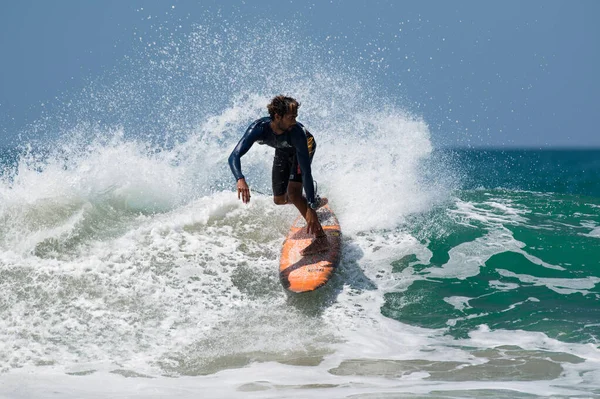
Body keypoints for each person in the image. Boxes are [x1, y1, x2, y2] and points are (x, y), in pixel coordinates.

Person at [228, 95, 328, 255]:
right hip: (283, 149)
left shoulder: (297, 133)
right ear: (277, 116)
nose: (294, 121)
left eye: (296, 117)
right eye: (291, 117)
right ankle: (312, 199)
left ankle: (321, 238)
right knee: (279, 200)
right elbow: (234, 156)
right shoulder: (258, 129)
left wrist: (309, 207)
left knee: (294, 194)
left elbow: (306, 172)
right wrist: (240, 178)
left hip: (303, 146)